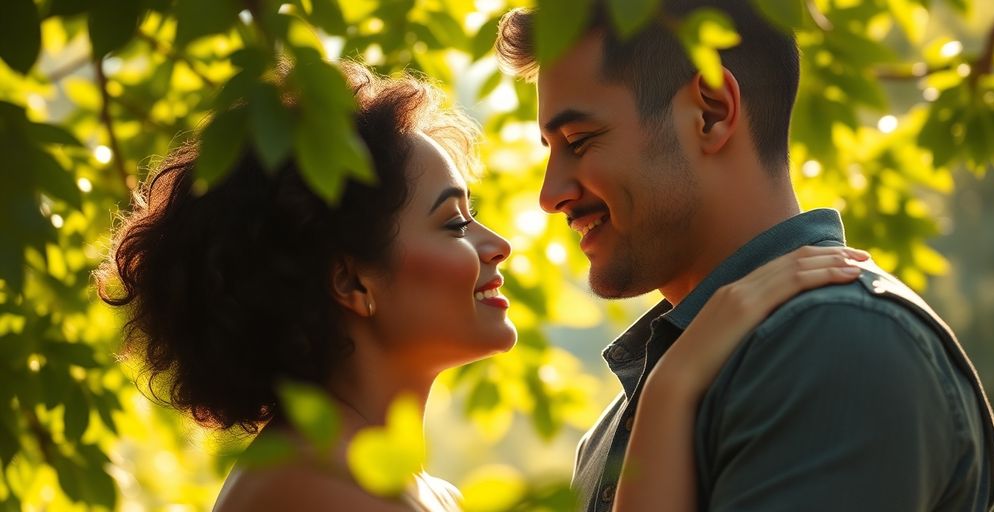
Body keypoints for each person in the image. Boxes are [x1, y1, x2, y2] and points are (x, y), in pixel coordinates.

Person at [96, 60, 869, 511]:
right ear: (350, 282)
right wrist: (676, 382)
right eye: (454, 222)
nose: (497, 245)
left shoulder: (416, 489)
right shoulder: (303, 492)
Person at [495, 1, 994, 511]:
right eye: (549, 149)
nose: (550, 194)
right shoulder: (619, 424)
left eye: (580, 141)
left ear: (711, 113)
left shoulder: (837, 345)